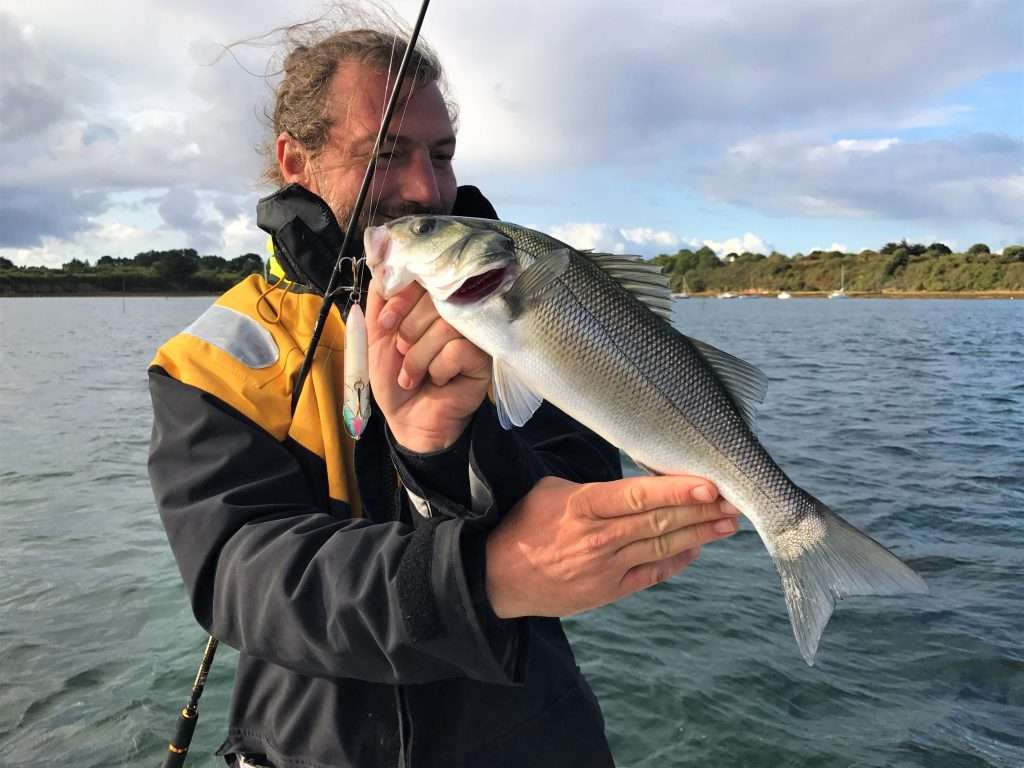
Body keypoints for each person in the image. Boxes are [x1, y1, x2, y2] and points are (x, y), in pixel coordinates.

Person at [148, 25, 739, 768]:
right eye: (385, 153)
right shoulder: (211, 360)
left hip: (537, 735)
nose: (426, 188)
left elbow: (576, 483)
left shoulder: (518, 304)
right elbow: (243, 576)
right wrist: (479, 577)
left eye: (442, 154)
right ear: (296, 160)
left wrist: (446, 450)